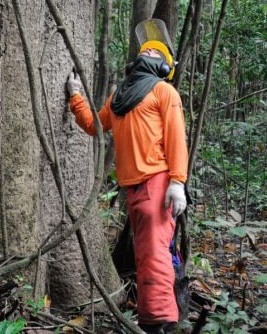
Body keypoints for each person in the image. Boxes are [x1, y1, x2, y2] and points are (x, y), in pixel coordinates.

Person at [66, 28, 188, 334]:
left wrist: (177, 181)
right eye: (145, 49)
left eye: (157, 52)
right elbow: (95, 125)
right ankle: (155, 318)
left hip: (157, 184)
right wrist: (75, 96)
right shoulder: (120, 97)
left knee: (154, 255)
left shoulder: (164, 92)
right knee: (148, 253)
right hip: (134, 189)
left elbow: (176, 139)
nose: (148, 52)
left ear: (164, 67)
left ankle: (158, 324)